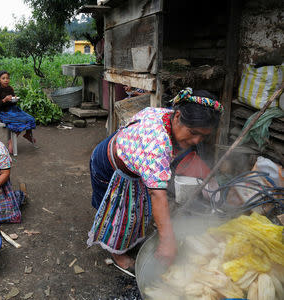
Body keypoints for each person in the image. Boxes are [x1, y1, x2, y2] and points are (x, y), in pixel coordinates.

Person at [87, 87, 223, 271]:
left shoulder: (167, 115)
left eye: (203, 136)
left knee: (135, 208)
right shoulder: (157, 144)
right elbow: (157, 194)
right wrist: (167, 241)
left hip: (129, 161)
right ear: (177, 117)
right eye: (193, 132)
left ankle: (127, 236)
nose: (197, 141)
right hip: (109, 166)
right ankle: (117, 253)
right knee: (119, 213)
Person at [0, 70, 36, 154]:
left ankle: (27, 134)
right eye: (3, 78)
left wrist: (14, 99)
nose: (6, 80)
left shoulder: (10, 88)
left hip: (14, 110)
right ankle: (11, 141)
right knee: (18, 122)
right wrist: (4, 100)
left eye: (7, 78)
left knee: (30, 118)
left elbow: (13, 103)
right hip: (3, 113)